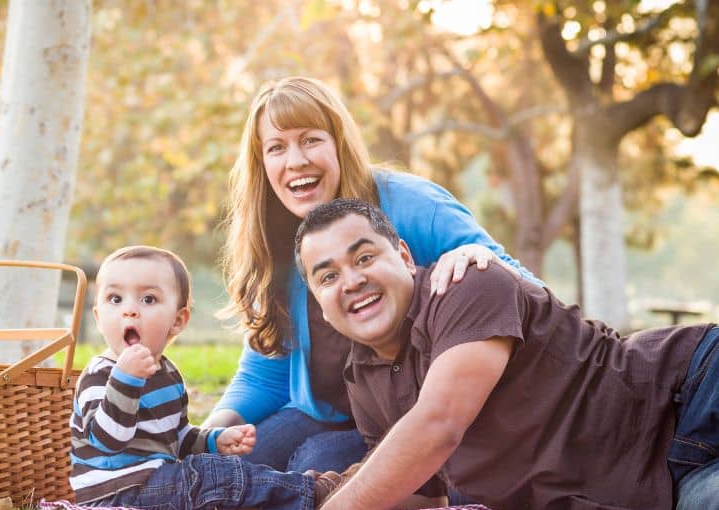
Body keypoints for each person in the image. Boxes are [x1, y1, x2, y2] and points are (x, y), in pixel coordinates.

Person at [294, 197, 719, 510]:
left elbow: (438, 424)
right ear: (320, 303)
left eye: (365, 257)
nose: (351, 281)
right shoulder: (362, 376)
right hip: (663, 482)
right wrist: (317, 493)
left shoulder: (465, 286)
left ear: (405, 256)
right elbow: (417, 490)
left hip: (693, 385)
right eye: (328, 276)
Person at [202, 76, 539, 476]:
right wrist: (206, 434)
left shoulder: (415, 206)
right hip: (325, 414)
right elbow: (266, 371)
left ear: (339, 144)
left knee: (311, 465)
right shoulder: (275, 239)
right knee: (217, 468)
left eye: (310, 140)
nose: (295, 161)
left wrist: (479, 256)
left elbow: (528, 292)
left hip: (416, 413)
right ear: (263, 164)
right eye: (276, 148)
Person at [69, 245, 342, 510]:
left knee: (215, 468)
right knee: (210, 475)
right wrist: (125, 379)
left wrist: (215, 441)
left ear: (177, 321)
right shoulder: (100, 375)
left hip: (156, 484)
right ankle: (311, 493)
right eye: (115, 299)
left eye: (148, 300)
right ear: (98, 318)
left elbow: (177, 437)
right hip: (115, 494)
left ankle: (272, 503)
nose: (129, 311)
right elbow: (107, 441)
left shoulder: (167, 374)